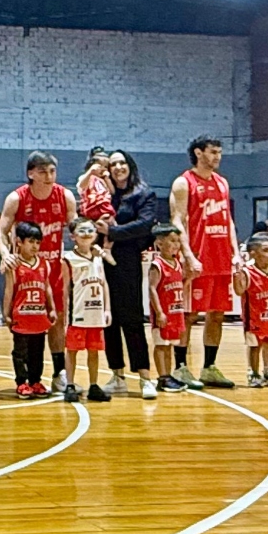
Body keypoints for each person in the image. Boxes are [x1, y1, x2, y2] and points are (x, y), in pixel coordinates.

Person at [0, 152, 76, 392]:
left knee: (57, 320)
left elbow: (76, 229)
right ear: (31, 173)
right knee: (22, 326)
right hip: (25, 271)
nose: (49, 176)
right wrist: (6, 254)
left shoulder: (65, 196)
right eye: (43, 172)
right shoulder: (17, 198)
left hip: (53, 269)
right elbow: (0, 232)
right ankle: (23, 378)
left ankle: (59, 372)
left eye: (52, 171)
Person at [168, 135, 238, 391]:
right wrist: (188, 255)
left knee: (217, 314)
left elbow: (228, 220)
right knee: (188, 315)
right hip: (197, 258)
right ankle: (180, 366)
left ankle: (209, 367)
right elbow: (177, 221)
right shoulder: (183, 183)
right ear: (199, 153)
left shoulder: (222, 183)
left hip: (221, 259)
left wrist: (235, 252)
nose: (218, 157)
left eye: (219, 152)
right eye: (213, 152)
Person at [101, 151, 157, 400]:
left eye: (122, 162)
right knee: (108, 320)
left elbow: (144, 225)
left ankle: (145, 377)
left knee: (132, 319)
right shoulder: (105, 194)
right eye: (113, 164)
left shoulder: (143, 193)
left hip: (128, 261)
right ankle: (117, 376)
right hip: (102, 262)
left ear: (130, 165)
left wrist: (113, 232)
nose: (118, 167)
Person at [62, 218, 115, 402]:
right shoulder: (68, 259)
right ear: (73, 236)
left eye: (90, 230)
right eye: (82, 231)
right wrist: (64, 316)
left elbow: (104, 283)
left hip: (96, 313)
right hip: (78, 313)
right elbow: (65, 289)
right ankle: (70, 384)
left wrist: (107, 309)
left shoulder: (98, 257)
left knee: (94, 351)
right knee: (72, 350)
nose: (86, 234)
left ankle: (93, 385)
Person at [3, 221, 57, 399]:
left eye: (38, 242)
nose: (35, 246)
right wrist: (6, 313)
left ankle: (35, 381)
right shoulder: (14, 265)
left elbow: (47, 288)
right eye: (31, 241)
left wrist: (51, 308)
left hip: (38, 317)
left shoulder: (44, 264)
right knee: (20, 352)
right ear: (19, 242)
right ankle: (21, 382)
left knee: (37, 352)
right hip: (21, 317)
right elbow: (9, 290)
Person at [236, 234, 268, 388]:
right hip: (254, 317)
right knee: (255, 346)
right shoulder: (247, 271)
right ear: (253, 253)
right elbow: (239, 291)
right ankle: (253, 373)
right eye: (266, 250)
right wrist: (235, 275)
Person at [147, 224, 190, 393]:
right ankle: (162, 377)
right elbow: (152, 289)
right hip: (163, 313)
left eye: (178, 241)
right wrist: (159, 312)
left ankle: (168, 376)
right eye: (172, 241)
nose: (176, 244)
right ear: (159, 243)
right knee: (161, 345)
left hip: (176, 312)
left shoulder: (177, 263)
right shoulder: (157, 265)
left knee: (170, 345)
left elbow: (179, 286)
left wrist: (189, 280)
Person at [75, 149, 114, 229]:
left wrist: (107, 180)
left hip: (104, 208)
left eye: (106, 167)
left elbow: (112, 192)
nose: (103, 169)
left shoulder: (104, 181)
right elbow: (81, 186)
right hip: (91, 208)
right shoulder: (87, 177)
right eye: (99, 166)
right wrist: (90, 172)